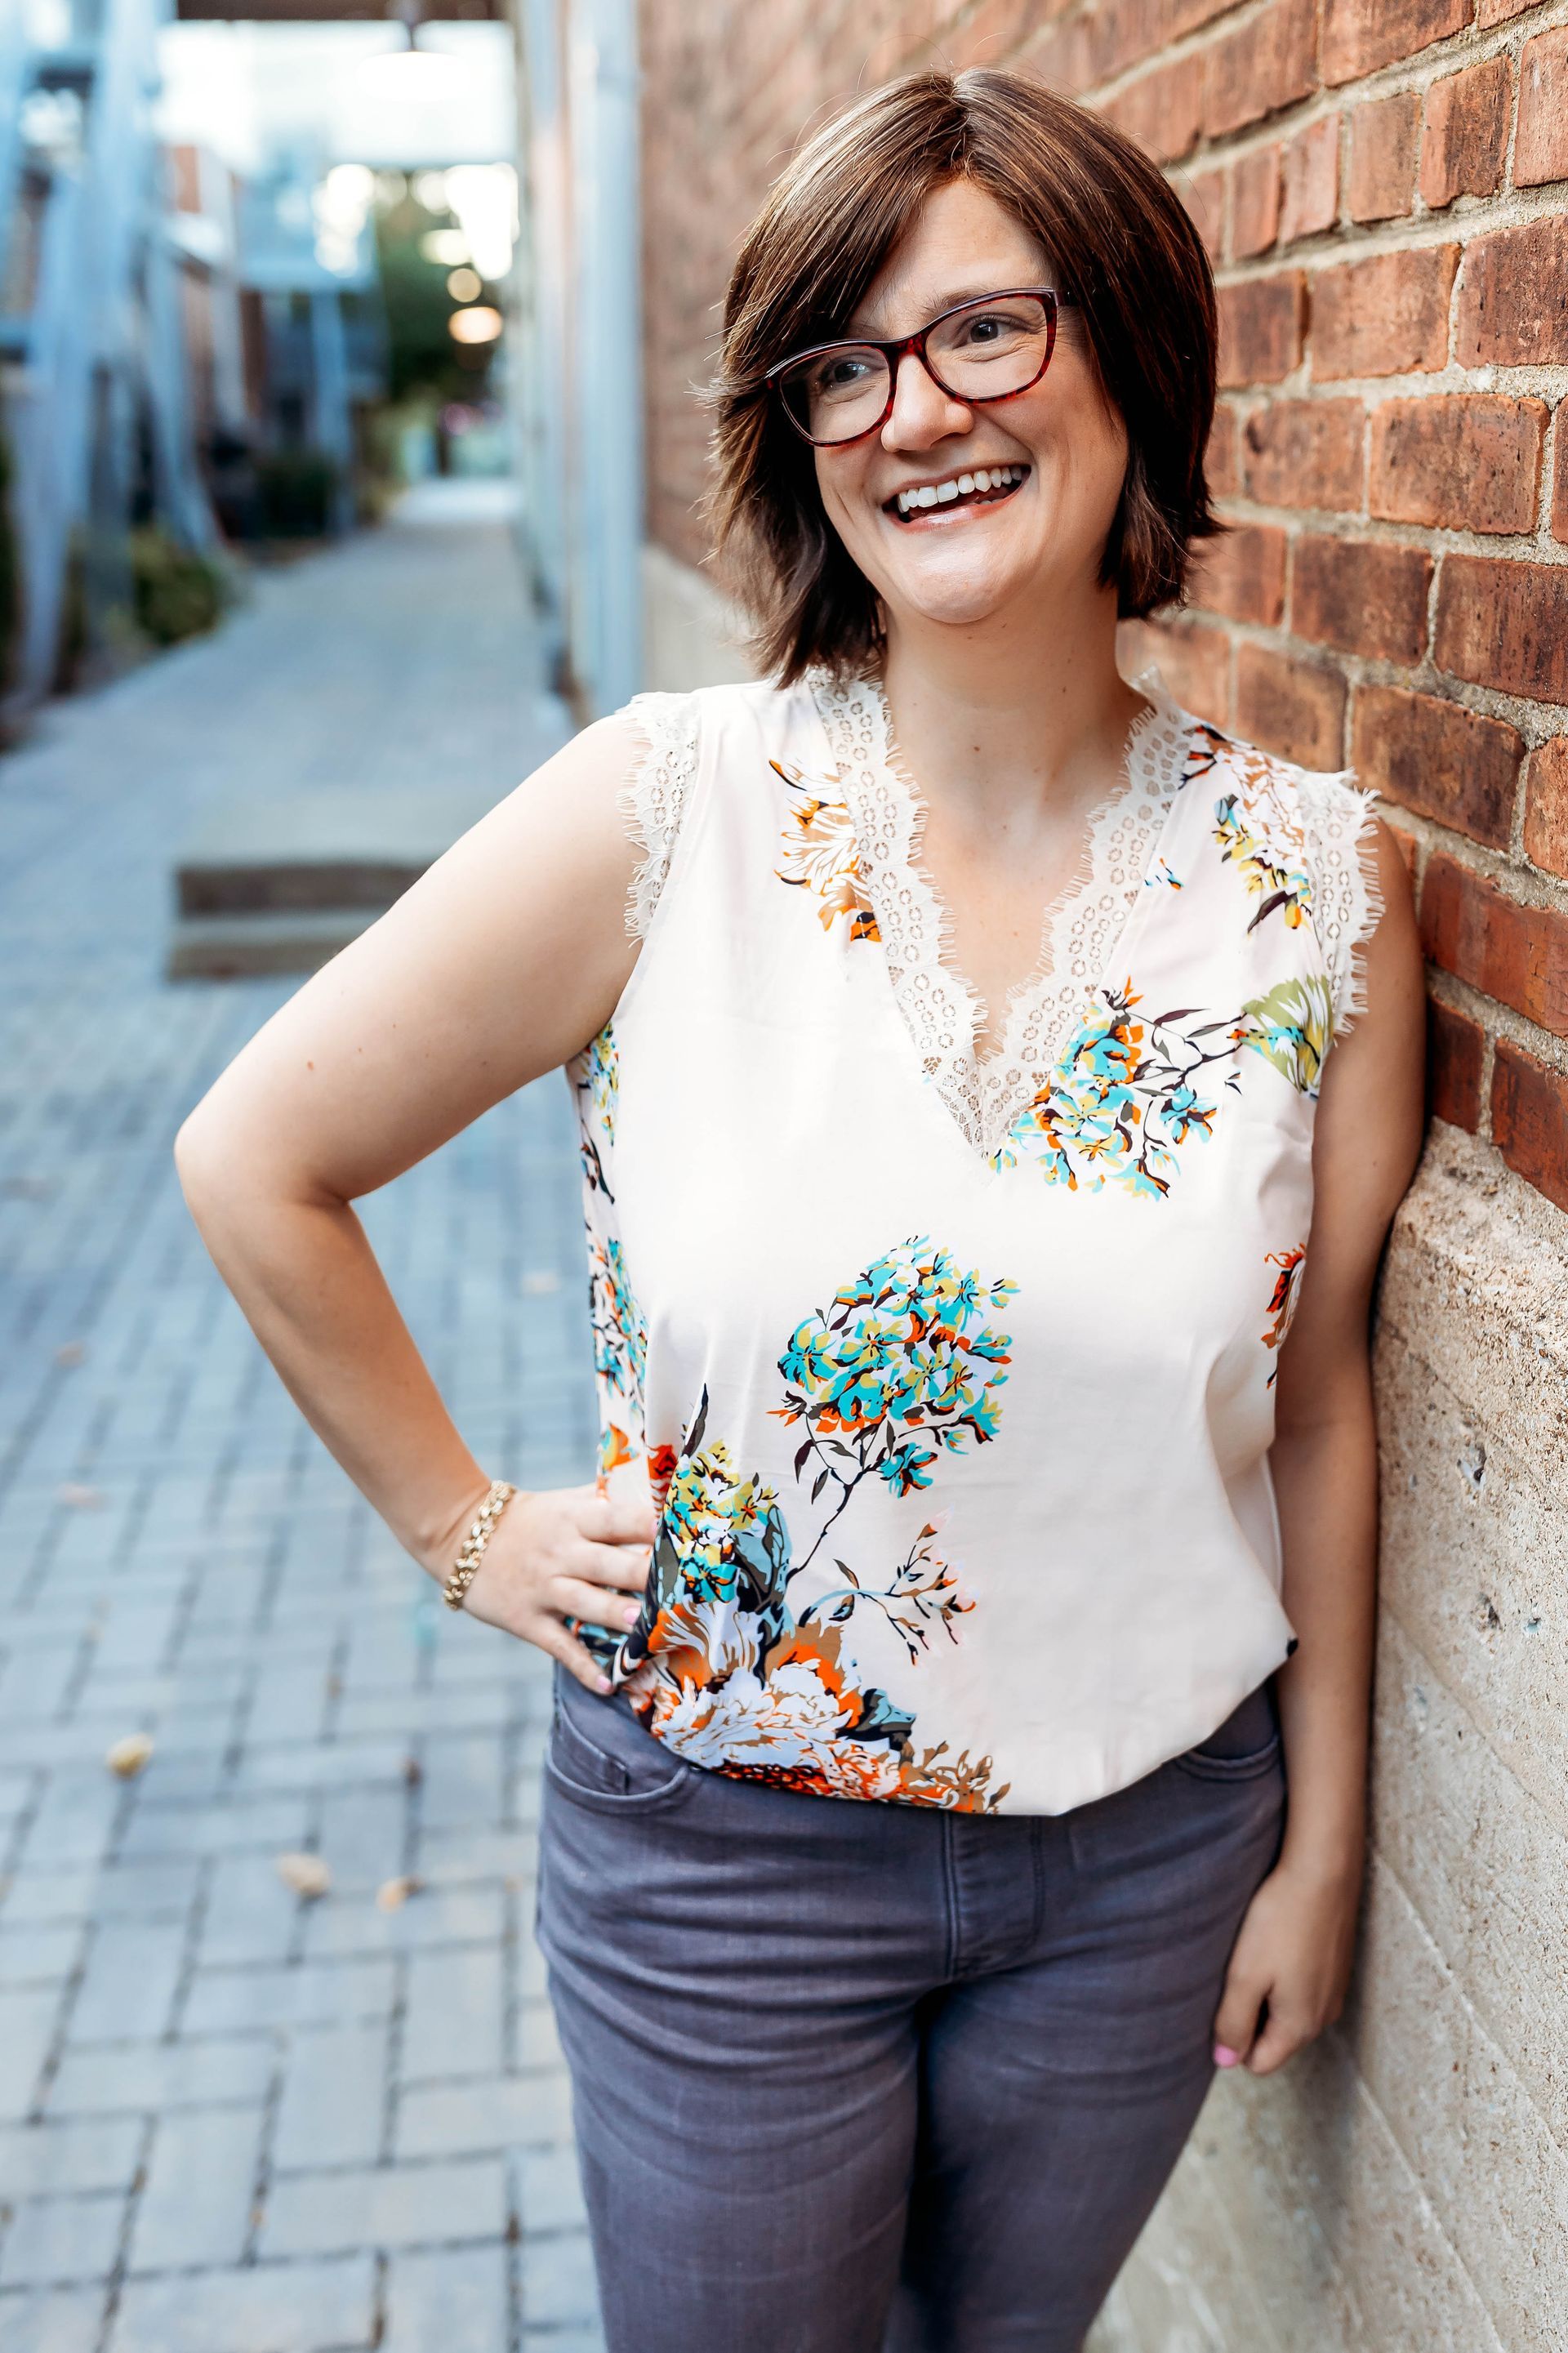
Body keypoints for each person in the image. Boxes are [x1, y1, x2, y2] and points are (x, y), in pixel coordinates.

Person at [176, 66, 1427, 2353]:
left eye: (985, 333)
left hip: (1150, 1857)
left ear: (1136, 357)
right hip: (722, 1860)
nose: (910, 412)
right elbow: (256, 1158)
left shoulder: (1318, 888)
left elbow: (1321, 1387)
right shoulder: (668, 812)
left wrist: (1322, 1842)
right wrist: (464, 1526)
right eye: (840, 364)